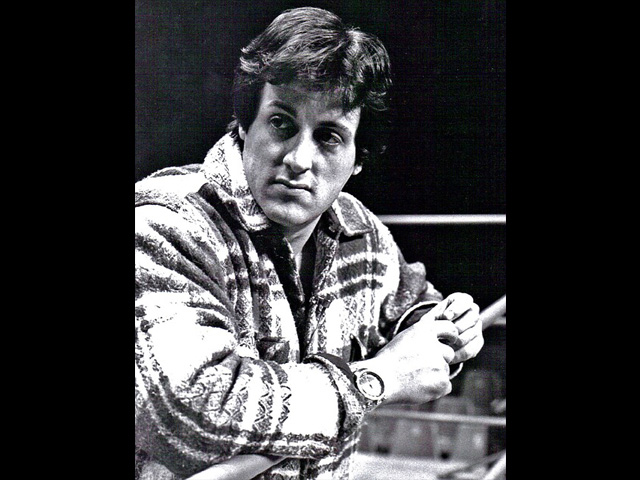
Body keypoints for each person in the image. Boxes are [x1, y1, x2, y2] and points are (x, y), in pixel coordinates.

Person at [135, 7, 484, 480]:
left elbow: (409, 306)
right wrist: (377, 380)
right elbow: (191, 414)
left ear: (358, 160)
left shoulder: (358, 229)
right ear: (244, 126)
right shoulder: (164, 224)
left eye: (329, 137)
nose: (300, 159)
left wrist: (445, 327)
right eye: (282, 123)